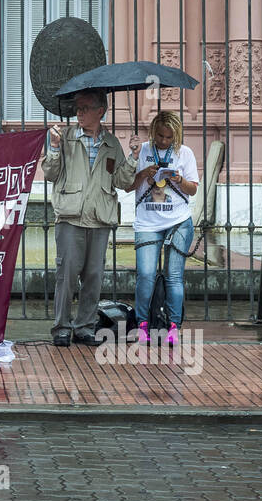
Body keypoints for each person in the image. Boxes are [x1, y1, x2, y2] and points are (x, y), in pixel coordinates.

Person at [43, 88, 140, 347]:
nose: (79, 112)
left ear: (100, 111)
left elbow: (123, 181)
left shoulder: (111, 144)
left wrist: (133, 157)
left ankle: (84, 327)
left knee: (94, 276)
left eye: (85, 108)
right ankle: (62, 328)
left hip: (100, 218)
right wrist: (53, 147)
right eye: (78, 108)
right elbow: (50, 173)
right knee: (66, 276)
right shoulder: (65, 138)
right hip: (70, 216)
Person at [129, 110, 200, 346]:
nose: (164, 141)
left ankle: (173, 326)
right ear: (153, 132)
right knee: (146, 274)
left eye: (169, 138)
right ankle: (142, 325)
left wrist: (179, 179)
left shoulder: (184, 153)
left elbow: (193, 190)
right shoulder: (143, 150)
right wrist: (144, 174)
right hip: (147, 221)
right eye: (160, 136)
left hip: (178, 220)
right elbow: (129, 184)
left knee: (174, 276)